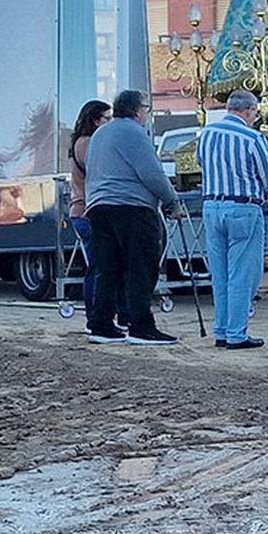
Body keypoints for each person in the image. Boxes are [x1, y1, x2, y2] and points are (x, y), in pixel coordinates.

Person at [85, 89, 180, 346]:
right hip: (131, 208)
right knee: (141, 267)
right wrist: (172, 201)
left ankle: (101, 324)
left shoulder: (100, 134)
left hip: (99, 207)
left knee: (108, 269)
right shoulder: (133, 132)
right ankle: (141, 326)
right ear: (138, 111)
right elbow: (151, 173)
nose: (147, 115)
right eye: (146, 110)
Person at [197, 89, 268, 350]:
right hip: (243, 206)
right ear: (249, 110)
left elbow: (201, 163)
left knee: (219, 273)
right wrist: (265, 195)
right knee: (243, 273)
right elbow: (267, 175)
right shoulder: (252, 137)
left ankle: (221, 329)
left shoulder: (206, 134)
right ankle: (236, 333)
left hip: (212, 205)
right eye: (255, 112)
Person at [66, 99, 112, 330]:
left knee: (98, 265)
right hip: (86, 211)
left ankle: (98, 316)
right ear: (95, 120)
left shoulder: (84, 142)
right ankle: (94, 317)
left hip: (85, 210)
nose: (110, 123)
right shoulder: (87, 144)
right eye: (107, 118)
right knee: (97, 266)